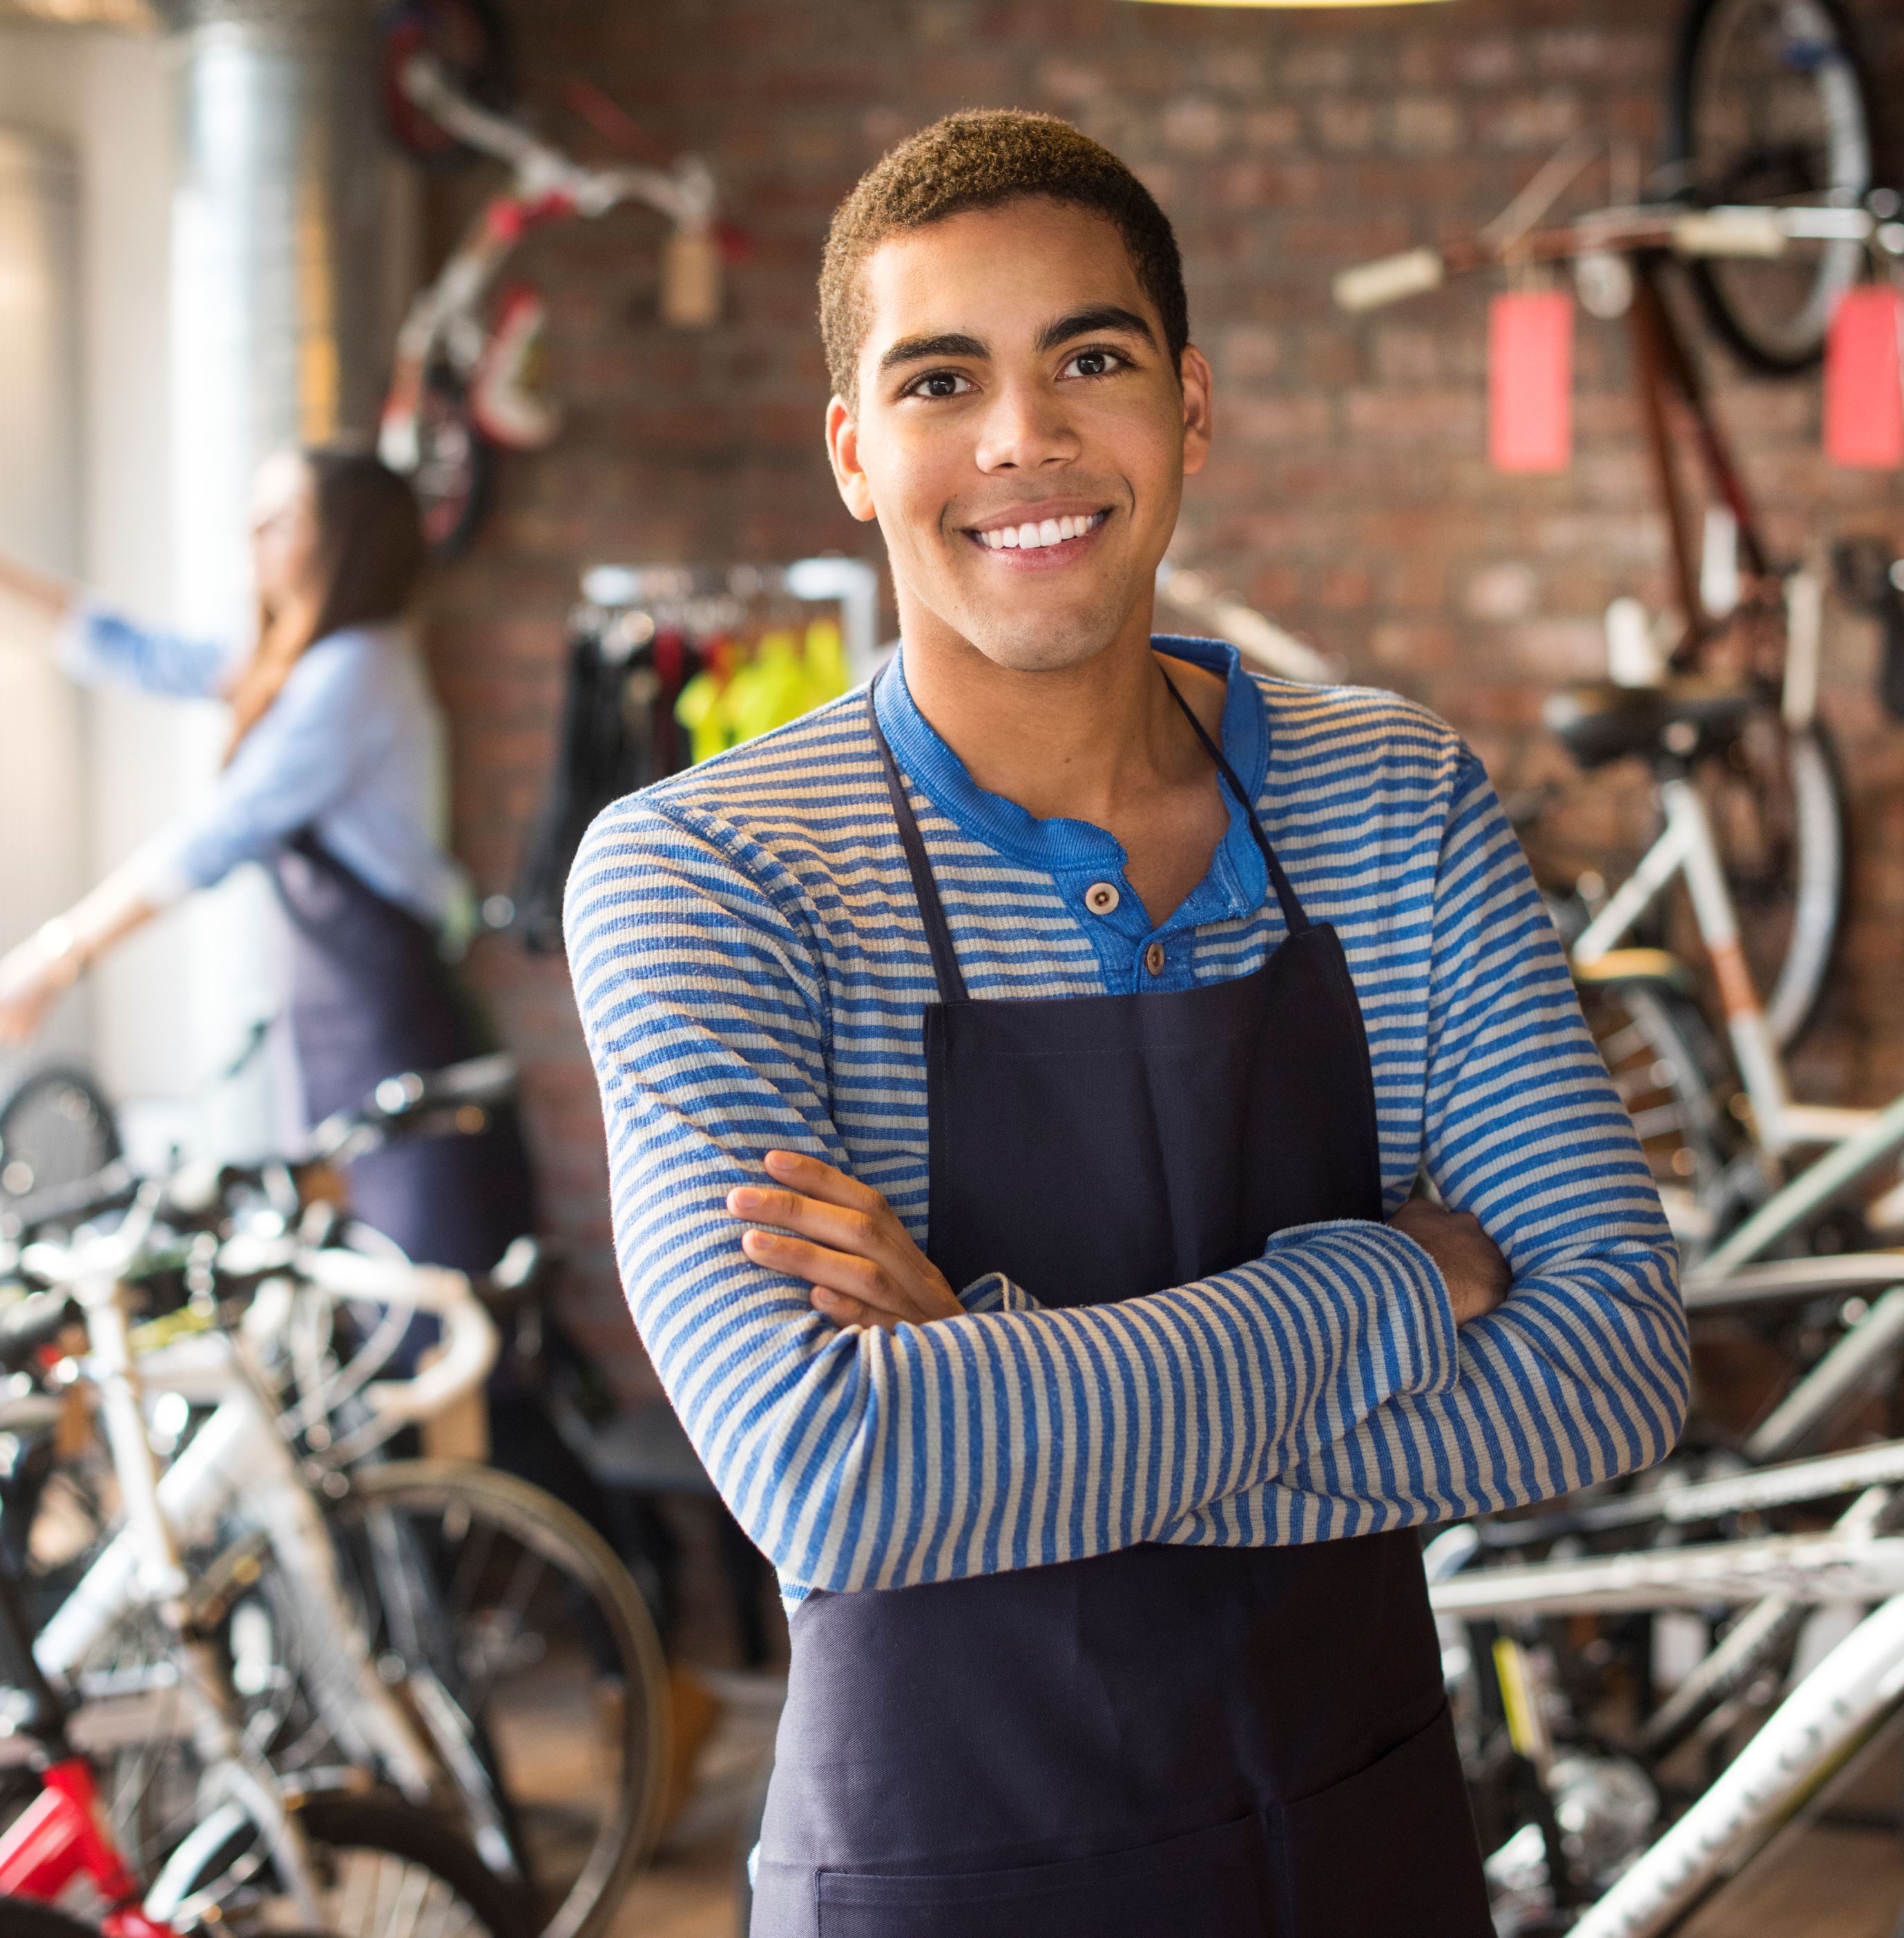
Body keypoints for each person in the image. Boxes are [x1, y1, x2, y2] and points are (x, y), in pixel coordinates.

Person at [563, 111, 1688, 1932]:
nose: (1022, 438)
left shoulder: (1390, 800)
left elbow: (1609, 1364)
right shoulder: (709, 872)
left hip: (1364, 1847)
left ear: (1188, 406)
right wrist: (1388, 1284)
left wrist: (1001, 1402)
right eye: (942, 378)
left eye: (1088, 356)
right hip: (943, 1873)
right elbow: (838, 1476)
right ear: (855, 453)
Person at [0, 444, 533, 1275]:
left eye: (281, 519)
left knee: (423, 1282)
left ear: (346, 542)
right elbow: (133, 651)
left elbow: (220, 832)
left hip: (388, 1013)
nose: (252, 535)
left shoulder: (352, 671)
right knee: (364, 1273)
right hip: (337, 1010)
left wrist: (56, 956)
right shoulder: (294, 662)